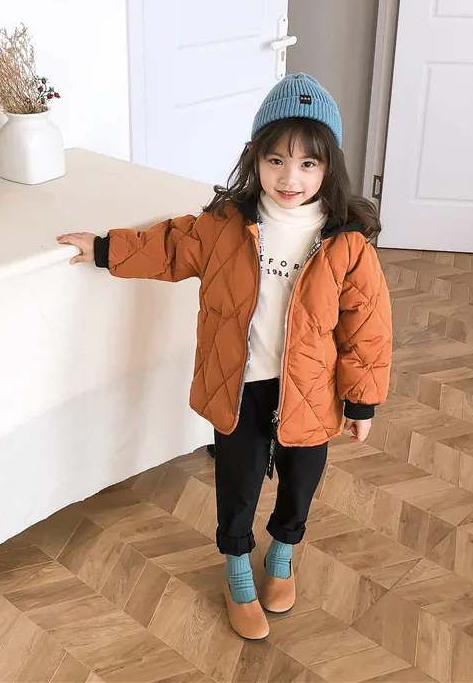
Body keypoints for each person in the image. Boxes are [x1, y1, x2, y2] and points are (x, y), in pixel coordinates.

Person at [57, 74, 392, 641]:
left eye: (308, 164)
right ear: (255, 158)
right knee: (237, 483)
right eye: (276, 160)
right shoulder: (225, 225)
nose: (289, 178)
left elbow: (368, 328)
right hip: (239, 385)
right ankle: (238, 569)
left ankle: (281, 554)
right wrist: (106, 249)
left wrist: (362, 401)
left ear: (329, 167)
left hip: (311, 390)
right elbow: (169, 246)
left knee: (301, 481)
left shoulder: (347, 243)